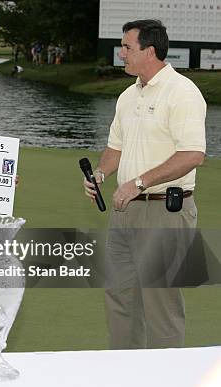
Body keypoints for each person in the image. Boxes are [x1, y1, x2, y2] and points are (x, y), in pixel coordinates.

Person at [83, 20, 206, 349]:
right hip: (124, 212)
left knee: (160, 305)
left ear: (149, 51)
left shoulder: (182, 92)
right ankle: (126, 376)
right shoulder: (127, 96)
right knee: (120, 299)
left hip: (165, 212)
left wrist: (139, 182)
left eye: (126, 47)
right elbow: (115, 149)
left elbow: (193, 154)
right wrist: (101, 174)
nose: (120, 53)